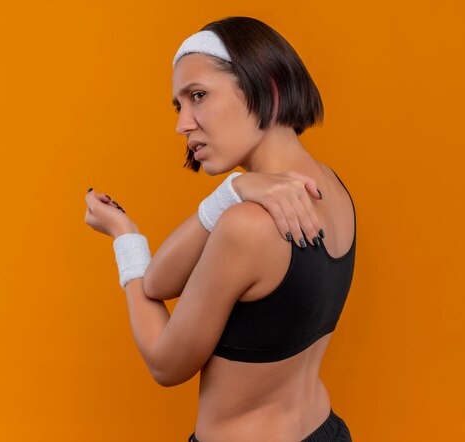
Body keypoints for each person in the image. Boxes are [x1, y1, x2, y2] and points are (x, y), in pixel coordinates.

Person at [84, 16, 355, 441]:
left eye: (198, 96)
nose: (182, 124)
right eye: (179, 105)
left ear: (268, 87)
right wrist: (229, 191)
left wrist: (122, 245)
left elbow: (164, 363)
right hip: (324, 430)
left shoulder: (249, 226)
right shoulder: (332, 187)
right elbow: (157, 282)